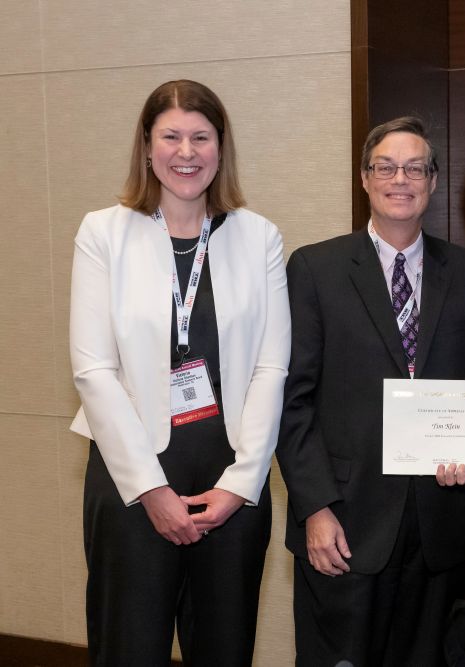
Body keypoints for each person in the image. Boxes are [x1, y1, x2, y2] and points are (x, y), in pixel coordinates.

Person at [69, 79, 291, 666]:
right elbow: (93, 370)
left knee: (224, 649)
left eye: (201, 136)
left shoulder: (259, 237)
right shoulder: (103, 234)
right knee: (129, 650)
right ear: (147, 146)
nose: (186, 152)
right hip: (130, 484)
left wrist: (241, 485)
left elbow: (272, 367)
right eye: (171, 136)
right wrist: (151, 488)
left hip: (230, 487)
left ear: (221, 148)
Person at [276, 116, 465, 666]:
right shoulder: (316, 268)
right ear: (364, 178)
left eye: (415, 168)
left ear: (431, 182)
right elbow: (292, 400)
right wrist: (315, 508)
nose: (400, 179)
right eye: (386, 167)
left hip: (438, 523)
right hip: (344, 524)